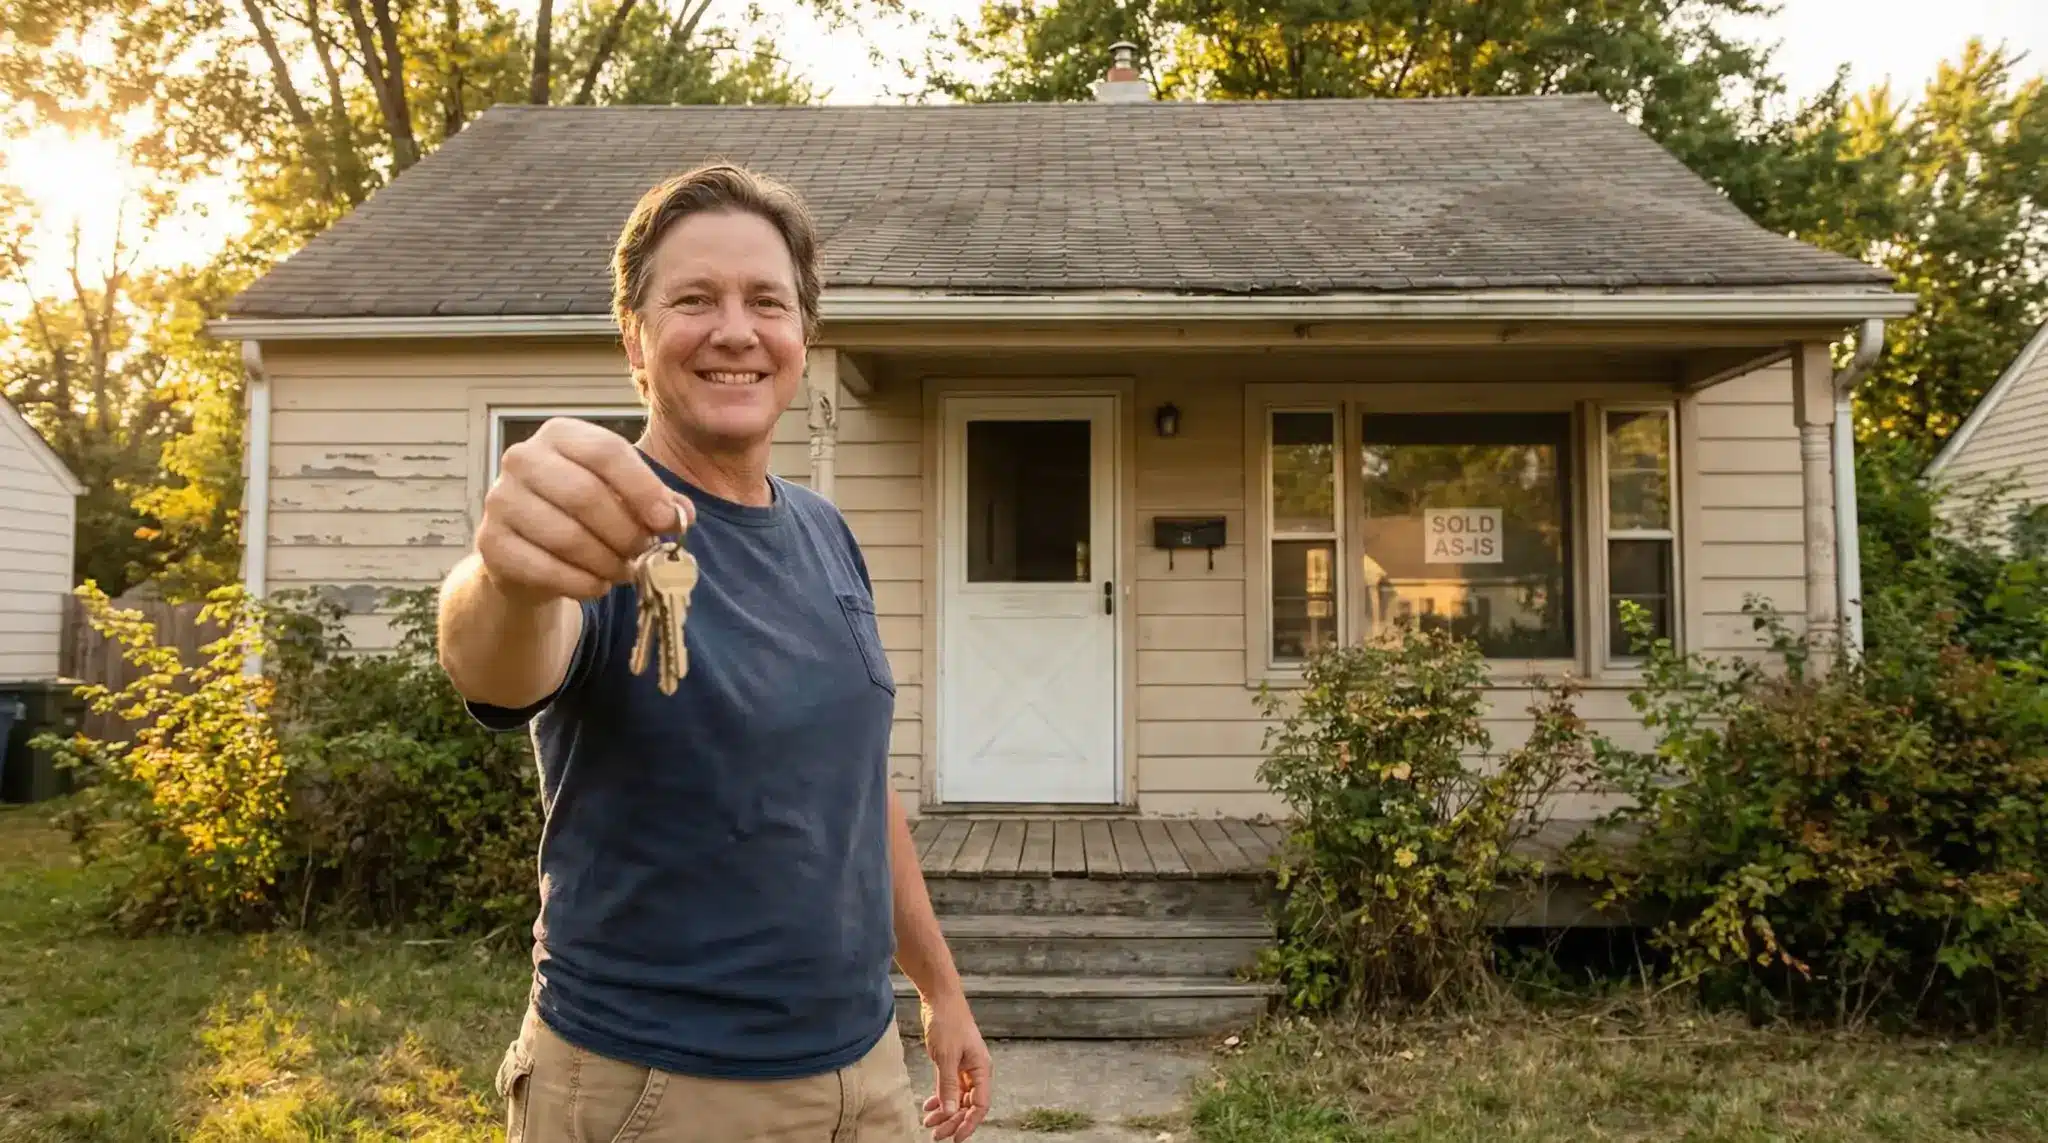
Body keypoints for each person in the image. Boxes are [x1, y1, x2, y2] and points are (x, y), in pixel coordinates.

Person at [436, 162, 992, 1142]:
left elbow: (856, 789)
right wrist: (506, 577)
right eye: (693, 299)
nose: (734, 329)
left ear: (801, 339)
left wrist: (939, 991)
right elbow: (497, 661)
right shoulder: (606, 522)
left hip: (861, 1077)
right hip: (656, 1091)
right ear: (634, 340)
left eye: (765, 302)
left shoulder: (825, 532)